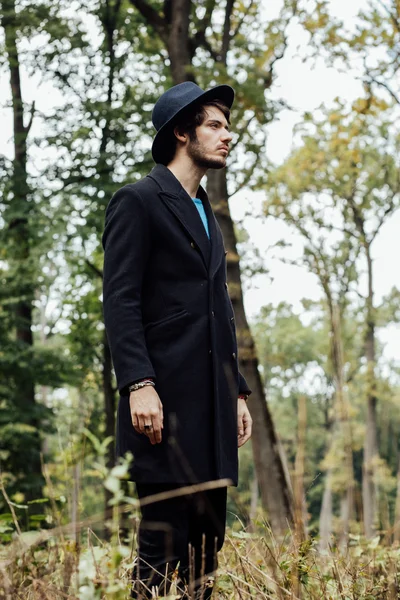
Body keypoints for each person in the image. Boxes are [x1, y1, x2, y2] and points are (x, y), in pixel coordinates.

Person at [102, 81, 253, 599]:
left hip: (211, 413)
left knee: (206, 553)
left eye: (227, 126)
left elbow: (221, 313)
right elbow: (120, 301)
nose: (227, 135)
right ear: (181, 132)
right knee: (161, 549)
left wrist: (236, 392)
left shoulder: (208, 213)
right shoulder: (138, 202)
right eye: (215, 124)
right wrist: (138, 382)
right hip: (161, 410)